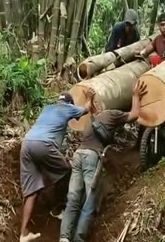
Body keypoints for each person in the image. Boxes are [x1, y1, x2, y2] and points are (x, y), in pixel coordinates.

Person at [59, 80, 148, 242]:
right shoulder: (112, 114)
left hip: (78, 155)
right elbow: (134, 115)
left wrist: (89, 99)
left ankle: (64, 238)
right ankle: (79, 238)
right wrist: (136, 96)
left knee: (73, 198)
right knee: (89, 200)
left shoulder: (92, 120)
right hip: (92, 157)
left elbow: (92, 109)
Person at [19, 91, 95, 242]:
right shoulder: (67, 108)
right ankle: (60, 208)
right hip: (44, 144)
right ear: (69, 103)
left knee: (31, 192)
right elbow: (85, 109)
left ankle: (23, 234)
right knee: (68, 172)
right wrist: (89, 98)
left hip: (26, 144)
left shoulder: (47, 108)